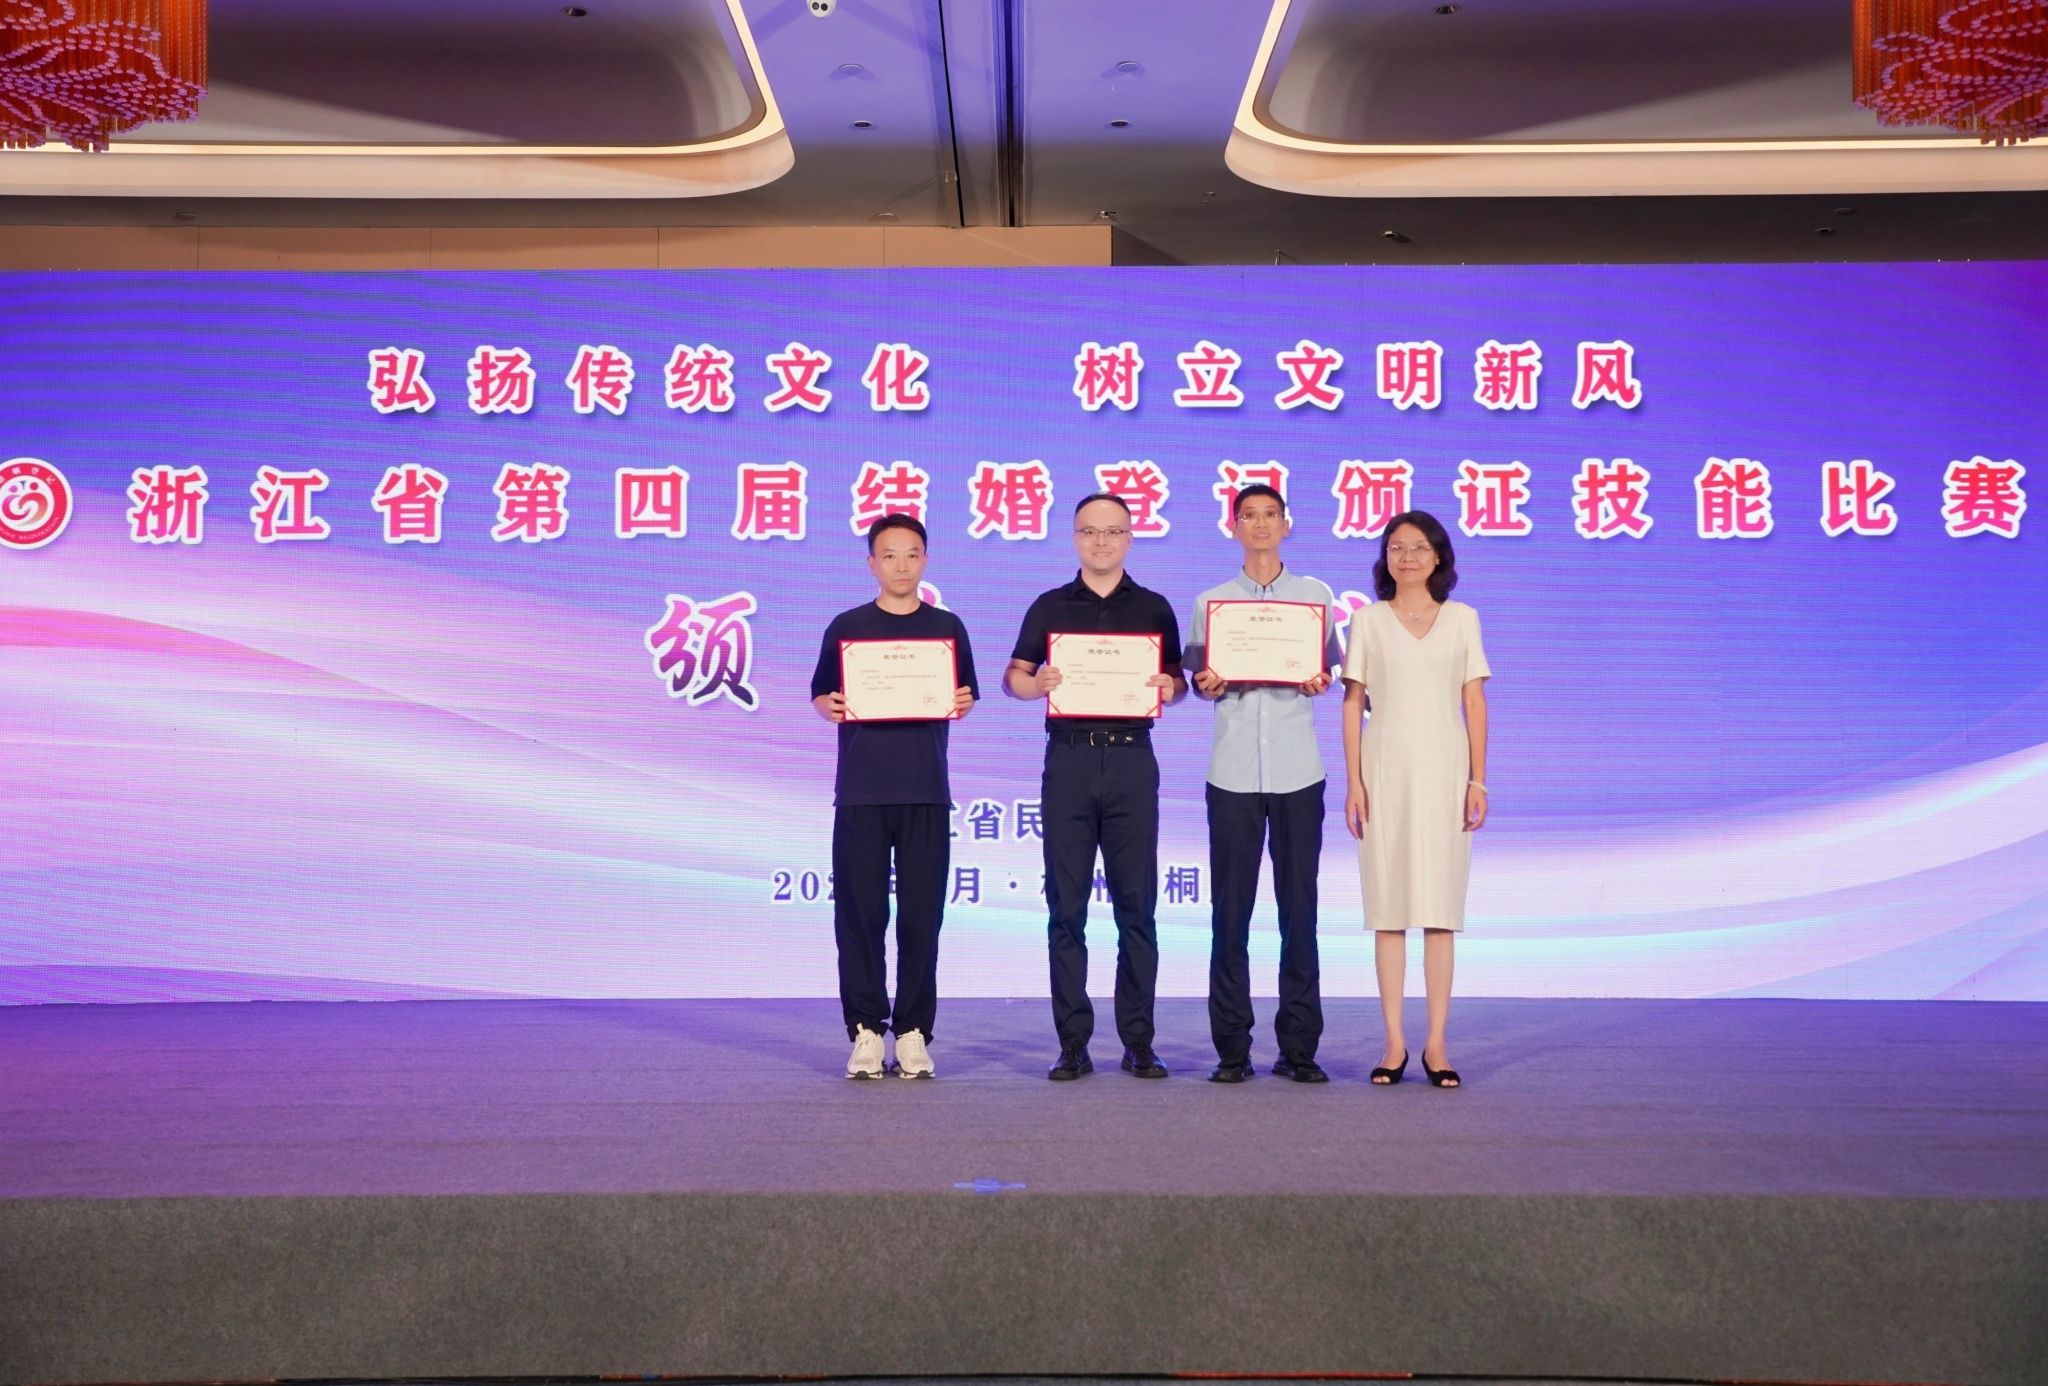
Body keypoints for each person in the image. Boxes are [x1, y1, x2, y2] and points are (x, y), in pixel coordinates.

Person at [1006, 493, 1185, 1081]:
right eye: (1090, 531)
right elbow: (1013, 677)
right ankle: (1073, 1044)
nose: (1101, 541)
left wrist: (1171, 688)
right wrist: (1036, 686)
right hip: (1070, 761)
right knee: (1067, 908)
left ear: (1129, 538)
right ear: (1075, 538)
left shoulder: (1154, 608)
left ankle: (1139, 1042)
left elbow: (1177, 682)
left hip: (1132, 759)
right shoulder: (1049, 605)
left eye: (1113, 531)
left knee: (1137, 908)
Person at [811, 514, 978, 1080]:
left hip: (925, 790)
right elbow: (822, 694)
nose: (901, 565)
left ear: (925, 560)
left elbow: (965, 695)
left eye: (911, 555)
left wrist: (961, 701)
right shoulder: (847, 626)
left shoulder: (947, 627)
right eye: (889, 555)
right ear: (871, 564)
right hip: (861, 791)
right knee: (859, 916)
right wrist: (829, 706)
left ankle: (911, 1032)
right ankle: (864, 1030)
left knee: (921, 918)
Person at [1184, 484, 1342, 1084]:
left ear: (1286, 524)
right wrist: (1207, 685)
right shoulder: (1211, 602)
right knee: (1230, 913)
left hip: (1300, 772)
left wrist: (1320, 680)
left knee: (1299, 912)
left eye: (1270, 514)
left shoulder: (1315, 597)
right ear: (1234, 526)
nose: (1260, 524)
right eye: (1248, 515)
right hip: (1232, 774)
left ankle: (1299, 1048)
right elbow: (1198, 681)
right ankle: (1232, 1049)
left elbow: (1326, 668)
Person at [1340, 510, 1490, 1089]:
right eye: (1397, 547)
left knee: (1439, 913)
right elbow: (1353, 703)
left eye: (1420, 547)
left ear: (1439, 556)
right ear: (1385, 558)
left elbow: (1473, 702)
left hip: (1446, 772)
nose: (1407, 557)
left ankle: (1437, 1044)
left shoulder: (1462, 619)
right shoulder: (1367, 620)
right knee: (1389, 910)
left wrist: (1478, 780)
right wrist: (1354, 782)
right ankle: (1394, 1043)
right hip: (1384, 771)